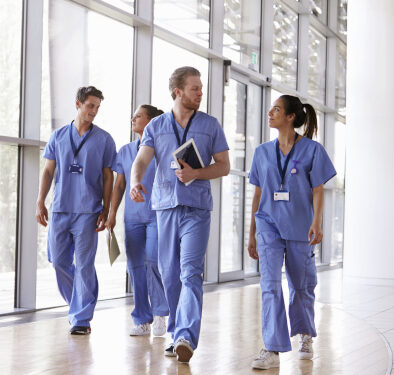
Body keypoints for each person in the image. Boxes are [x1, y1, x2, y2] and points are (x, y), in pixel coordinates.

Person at [129, 66, 230, 363]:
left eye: (201, 88)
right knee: (170, 274)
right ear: (178, 91)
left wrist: (197, 172)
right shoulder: (156, 126)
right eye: (195, 88)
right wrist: (135, 182)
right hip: (164, 208)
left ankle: (186, 334)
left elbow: (223, 165)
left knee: (190, 272)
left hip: (197, 209)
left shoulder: (210, 125)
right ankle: (175, 333)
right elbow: (141, 160)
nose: (201, 93)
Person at [248, 95, 336, 370]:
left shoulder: (312, 150)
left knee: (301, 285)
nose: (270, 112)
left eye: (276, 109)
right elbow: (258, 192)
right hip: (268, 225)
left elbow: (318, 189)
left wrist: (317, 222)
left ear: (290, 117)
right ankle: (272, 347)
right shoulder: (262, 152)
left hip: (300, 226)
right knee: (270, 285)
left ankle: (305, 333)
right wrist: (252, 232)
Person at [36, 86, 116, 335]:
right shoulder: (58, 136)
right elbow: (49, 171)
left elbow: (107, 177)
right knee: (58, 261)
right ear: (78, 104)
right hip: (60, 209)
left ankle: (81, 318)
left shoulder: (104, 139)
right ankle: (77, 305)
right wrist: (40, 201)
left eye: (97, 107)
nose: (94, 111)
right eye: (90, 105)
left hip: (88, 211)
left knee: (84, 265)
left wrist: (106, 208)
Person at [105, 104, 169, 336]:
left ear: (152, 121)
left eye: (139, 116)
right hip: (132, 218)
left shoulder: (162, 149)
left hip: (157, 215)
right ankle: (142, 318)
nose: (133, 118)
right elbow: (119, 184)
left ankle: (161, 313)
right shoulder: (125, 151)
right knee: (135, 267)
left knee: (152, 261)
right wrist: (111, 214)